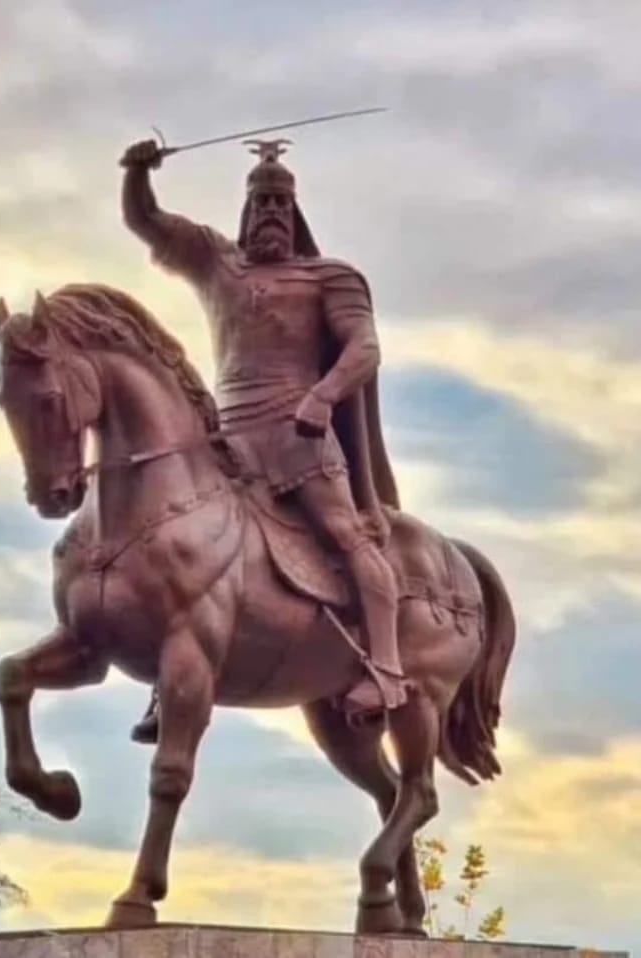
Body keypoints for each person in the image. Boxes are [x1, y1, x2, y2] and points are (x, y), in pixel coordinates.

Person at [120, 137, 407, 741]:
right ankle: (164, 682)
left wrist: (323, 396)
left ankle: (385, 669)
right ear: (246, 208)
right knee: (174, 539)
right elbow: (146, 220)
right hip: (225, 437)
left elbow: (364, 348)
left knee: (345, 534)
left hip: (299, 433)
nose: (271, 212)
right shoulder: (216, 262)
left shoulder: (328, 276)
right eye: (262, 201)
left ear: (294, 211)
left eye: (281, 202)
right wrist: (138, 172)